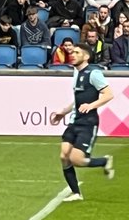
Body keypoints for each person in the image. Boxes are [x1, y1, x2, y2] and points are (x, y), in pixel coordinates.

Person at [49, 42, 115, 202]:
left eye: (77, 53)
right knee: (64, 155)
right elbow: (77, 99)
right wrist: (63, 112)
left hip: (88, 122)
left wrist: (91, 105)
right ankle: (76, 193)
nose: (73, 54)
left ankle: (104, 161)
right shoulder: (76, 72)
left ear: (85, 56)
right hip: (74, 121)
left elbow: (108, 94)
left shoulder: (94, 73)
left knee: (76, 159)